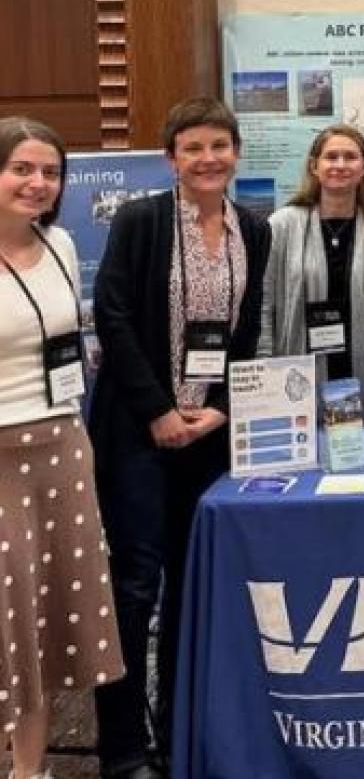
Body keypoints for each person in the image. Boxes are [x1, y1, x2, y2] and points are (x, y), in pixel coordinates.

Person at [90, 97, 271, 778]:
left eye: (219, 146)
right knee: (136, 587)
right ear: (171, 158)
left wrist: (222, 408)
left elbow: (248, 328)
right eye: (193, 147)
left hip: (209, 436)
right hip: (139, 431)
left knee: (195, 583)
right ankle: (123, 749)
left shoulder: (254, 229)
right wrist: (158, 411)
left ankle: (180, 729)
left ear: (235, 152)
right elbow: (112, 315)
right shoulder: (141, 220)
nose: (207, 159)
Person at [0, 118, 124, 779]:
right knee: (4, 620)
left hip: (62, 445)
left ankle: (31, 769)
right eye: (22, 168)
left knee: (44, 620)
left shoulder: (64, 245)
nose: (38, 183)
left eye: (49, 171)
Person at [259, 124, 364, 415]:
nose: (340, 165)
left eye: (350, 157)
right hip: (297, 371)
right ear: (315, 166)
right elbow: (263, 304)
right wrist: (266, 369)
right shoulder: (282, 225)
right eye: (331, 157)